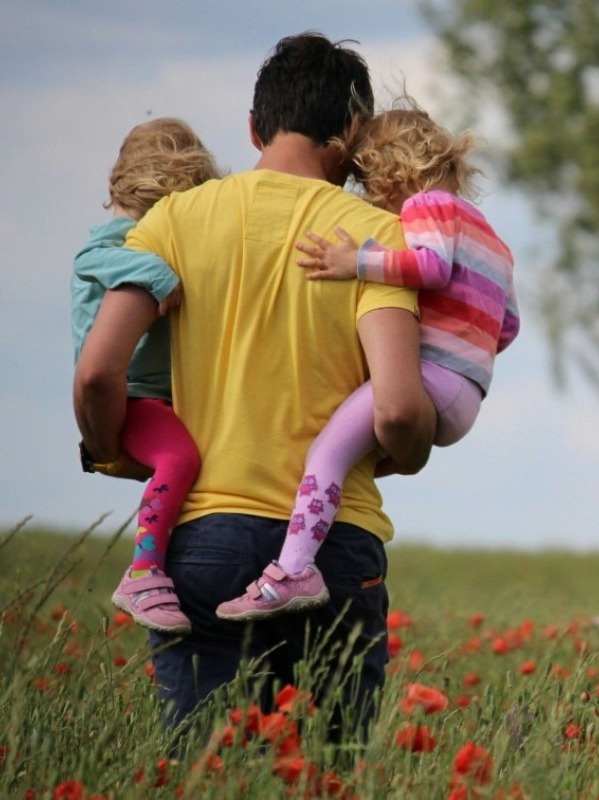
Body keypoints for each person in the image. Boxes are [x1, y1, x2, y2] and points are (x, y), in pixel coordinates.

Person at [73, 32, 436, 742]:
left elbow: (96, 371)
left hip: (202, 540)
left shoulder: (173, 220)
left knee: (205, 769)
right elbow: (396, 409)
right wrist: (412, 449)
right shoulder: (377, 239)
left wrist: (112, 449)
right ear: (354, 132)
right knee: (328, 774)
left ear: (253, 127)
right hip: (334, 545)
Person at [216, 104, 520, 621]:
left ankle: (293, 570)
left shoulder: (427, 204)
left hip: (431, 377)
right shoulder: (493, 239)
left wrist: (354, 262)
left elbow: (430, 267)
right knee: (355, 453)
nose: (375, 201)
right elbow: (507, 326)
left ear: (393, 172)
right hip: (467, 393)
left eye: (371, 186)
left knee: (325, 454)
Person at [72, 118, 221, 635]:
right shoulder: (118, 240)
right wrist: (159, 274)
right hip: (133, 396)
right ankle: (143, 571)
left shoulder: (142, 235)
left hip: (156, 395)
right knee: (180, 459)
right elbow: (91, 259)